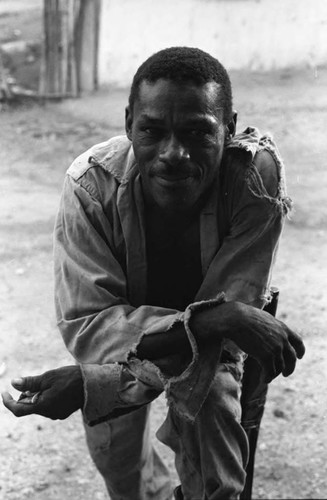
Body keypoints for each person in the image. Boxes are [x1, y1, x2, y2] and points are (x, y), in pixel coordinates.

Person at [2, 47, 305, 500]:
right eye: (152, 130)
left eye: (197, 131)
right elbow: (91, 329)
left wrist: (91, 385)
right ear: (128, 124)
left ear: (230, 127)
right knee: (121, 467)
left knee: (219, 463)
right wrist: (216, 318)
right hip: (147, 336)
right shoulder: (90, 186)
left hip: (218, 348)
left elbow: (220, 344)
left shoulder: (254, 179)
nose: (174, 154)